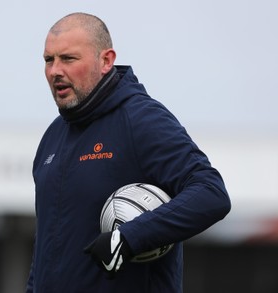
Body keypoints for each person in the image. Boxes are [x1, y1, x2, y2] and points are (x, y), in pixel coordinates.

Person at [26, 12, 231, 293]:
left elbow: (211, 193)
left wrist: (130, 236)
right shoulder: (52, 137)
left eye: (68, 59)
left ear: (106, 61)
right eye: (49, 60)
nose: (55, 71)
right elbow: (44, 254)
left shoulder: (141, 119)